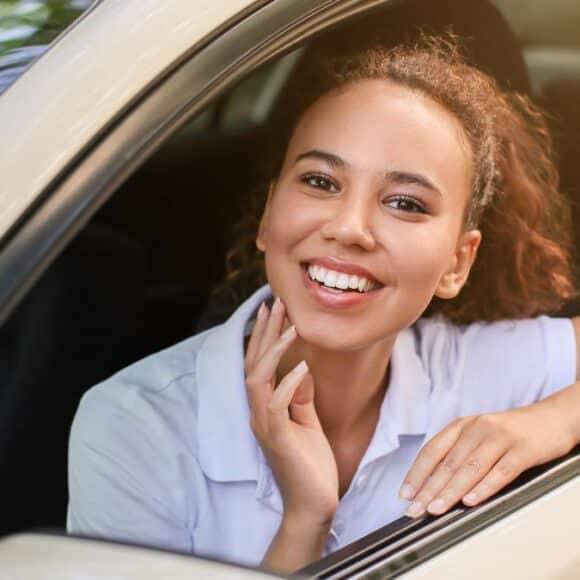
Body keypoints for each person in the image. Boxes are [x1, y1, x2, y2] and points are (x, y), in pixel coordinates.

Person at [67, 36, 580, 573]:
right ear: (269, 217)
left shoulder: (472, 372)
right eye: (320, 181)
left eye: (405, 203)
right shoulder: (133, 426)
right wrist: (304, 521)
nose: (349, 228)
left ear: (458, 261)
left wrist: (553, 423)